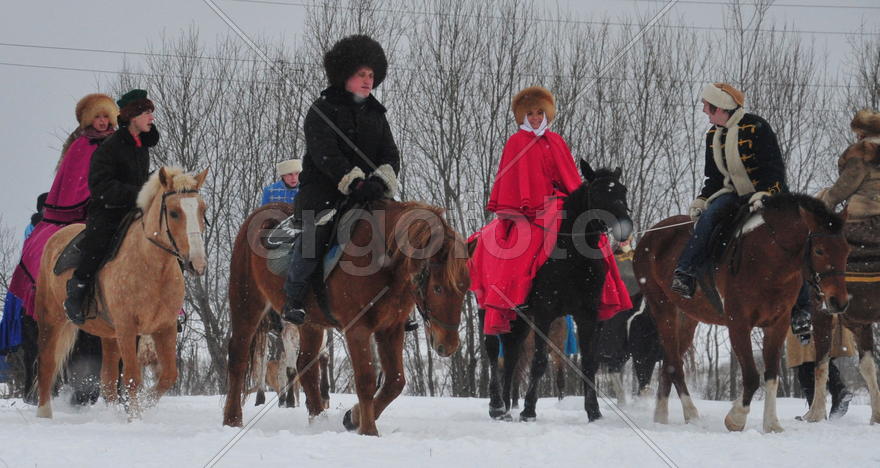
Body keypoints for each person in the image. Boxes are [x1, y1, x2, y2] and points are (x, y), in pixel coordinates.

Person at [468, 86, 631, 335]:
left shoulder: (556, 141)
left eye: (539, 113)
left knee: (593, 236)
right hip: (531, 210)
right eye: (530, 113)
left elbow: (569, 179)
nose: (535, 118)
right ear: (522, 116)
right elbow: (513, 181)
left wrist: (568, 198)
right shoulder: (516, 143)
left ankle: (603, 290)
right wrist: (529, 203)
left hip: (561, 202)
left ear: (547, 114)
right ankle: (516, 294)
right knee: (524, 244)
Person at [670, 83, 813, 335]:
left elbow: (774, 169)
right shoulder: (712, 135)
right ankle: (686, 272)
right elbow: (713, 178)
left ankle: (801, 309)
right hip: (733, 194)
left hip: (770, 194)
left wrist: (767, 193)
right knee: (709, 217)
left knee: (793, 243)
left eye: (708, 107)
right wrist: (702, 200)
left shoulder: (757, 127)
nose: (704, 111)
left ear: (721, 108)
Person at [281, 35, 400, 325]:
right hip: (323, 193)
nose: (367, 80)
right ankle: (293, 298)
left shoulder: (377, 115)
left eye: (371, 75)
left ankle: (400, 301)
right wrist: (353, 182)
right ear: (345, 74)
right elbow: (325, 154)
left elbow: (391, 154)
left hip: (371, 194)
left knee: (400, 233)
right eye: (361, 74)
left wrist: (380, 180)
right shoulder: (321, 110)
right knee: (313, 240)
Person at [65, 89, 158, 324]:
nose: (151, 118)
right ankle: (77, 292)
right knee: (97, 244)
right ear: (132, 116)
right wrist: (137, 193)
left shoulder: (140, 144)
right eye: (147, 112)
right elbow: (101, 186)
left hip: (136, 211)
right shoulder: (110, 147)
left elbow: (139, 179)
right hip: (109, 211)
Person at [785, 317, 855, 419]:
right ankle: (838, 391)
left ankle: (816, 410)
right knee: (820, 358)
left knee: (805, 362)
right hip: (830, 318)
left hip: (806, 319)